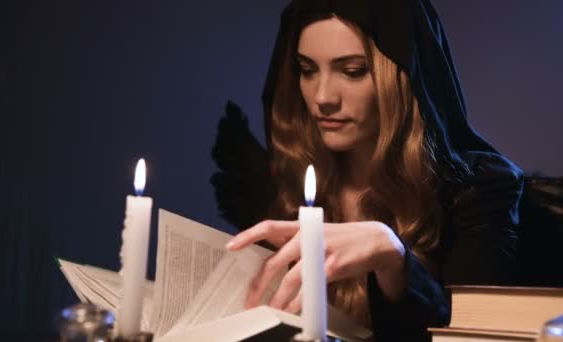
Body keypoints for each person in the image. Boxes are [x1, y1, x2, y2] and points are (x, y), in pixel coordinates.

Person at [211, 0, 524, 340]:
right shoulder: (287, 179)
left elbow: (470, 334)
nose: (323, 97)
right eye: (307, 69)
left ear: (400, 78)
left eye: (352, 71)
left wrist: (395, 262)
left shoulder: (479, 191)